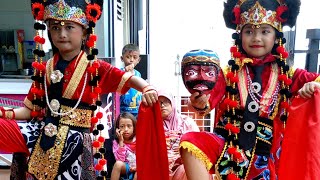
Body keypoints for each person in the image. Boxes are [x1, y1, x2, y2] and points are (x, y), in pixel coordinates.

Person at [0, 0, 157, 179]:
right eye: (55, 28)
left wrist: (147, 87)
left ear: (84, 32)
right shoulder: (45, 68)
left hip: (75, 140)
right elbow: (30, 110)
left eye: (69, 27)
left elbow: (127, 78)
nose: (62, 34)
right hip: (43, 133)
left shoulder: (95, 68)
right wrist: (5, 112)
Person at [179, 0, 320, 179]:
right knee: (190, 143)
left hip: (264, 152)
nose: (256, 38)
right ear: (240, 35)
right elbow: (208, 98)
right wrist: (200, 102)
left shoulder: (289, 75)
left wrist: (315, 86)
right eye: (249, 31)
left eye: (265, 31)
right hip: (226, 142)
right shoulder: (227, 73)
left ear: (276, 35)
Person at [158, 89, 200, 180]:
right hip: (159, 164)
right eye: (159, 103)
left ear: (172, 103)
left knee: (185, 170)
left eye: (166, 102)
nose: (162, 105)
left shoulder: (186, 122)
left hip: (183, 162)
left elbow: (198, 145)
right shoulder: (153, 125)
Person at [111, 112, 137, 180]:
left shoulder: (139, 139)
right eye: (122, 126)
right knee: (118, 164)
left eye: (129, 126)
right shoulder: (116, 142)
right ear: (117, 129)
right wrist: (121, 141)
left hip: (139, 167)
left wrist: (137, 167)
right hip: (126, 167)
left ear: (134, 127)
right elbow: (120, 160)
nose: (125, 129)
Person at [119, 44, 142, 117]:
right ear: (122, 58)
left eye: (134, 57)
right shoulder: (119, 73)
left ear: (138, 60)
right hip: (123, 110)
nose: (131, 60)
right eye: (128, 57)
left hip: (137, 110)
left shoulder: (138, 74)